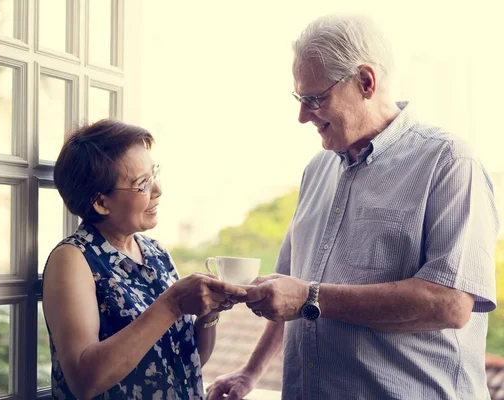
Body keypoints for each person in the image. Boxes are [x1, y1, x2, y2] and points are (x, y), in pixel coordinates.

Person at [206, 12, 500, 400]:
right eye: (299, 98)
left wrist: (311, 298)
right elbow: (290, 289)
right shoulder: (316, 170)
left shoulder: (448, 162)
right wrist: (250, 372)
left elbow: (450, 304)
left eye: (315, 98)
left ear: (365, 81)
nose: (301, 116)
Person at [43, 119, 247, 400]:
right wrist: (172, 304)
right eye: (142, 183)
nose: (158, 189)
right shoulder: (73, 259)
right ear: (101, 202)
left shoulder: (155, 251)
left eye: (154, 175)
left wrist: (210, 313)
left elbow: (188, 360)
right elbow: (84, 380)